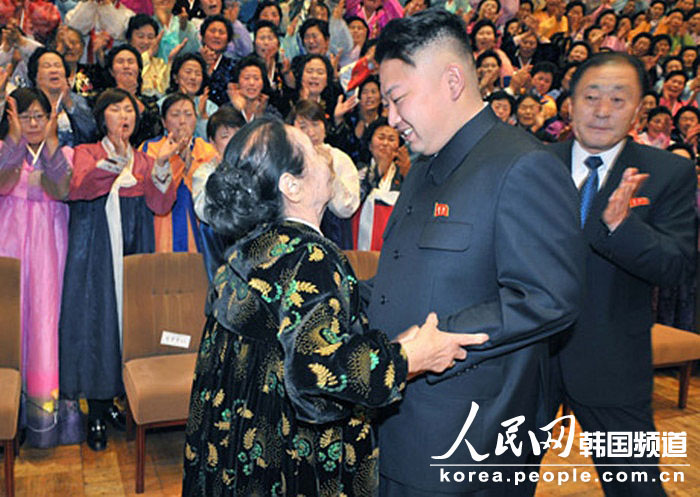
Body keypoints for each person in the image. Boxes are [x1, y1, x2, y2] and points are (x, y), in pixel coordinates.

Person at [181, 117, 485, 496]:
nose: (323, 152)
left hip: (240, 450)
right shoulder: (309, 256)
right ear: (291, 186)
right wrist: (412, 356)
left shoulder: (251, 249)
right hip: (289, 459)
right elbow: (317, 375)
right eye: (309, 148)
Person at [370, 10, 585, 495]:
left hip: (468, 438)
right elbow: (407, 279)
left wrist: (441, 340)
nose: (391, 118)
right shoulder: (422, 169)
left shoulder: (522, 165)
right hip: (399, 422)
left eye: (397, 99)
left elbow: (549, 296)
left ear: (451, 80)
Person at [547, 52, 696, 496]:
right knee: (497, 481)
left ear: (638, 109)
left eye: (618, 98)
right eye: (591, 96)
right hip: (527, 359)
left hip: (612, 362)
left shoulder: (668, 172)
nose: (602, 109)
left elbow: (677, 266)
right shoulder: (532, 163)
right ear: (570, 103)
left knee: (636, 489)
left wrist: (621, 229)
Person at [58, 88, 179, 452]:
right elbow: (78, 189)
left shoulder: (144, 159)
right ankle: (95, 409)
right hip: (95, 251)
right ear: (102, 117)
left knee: (131, 321)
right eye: (115, 109)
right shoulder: (86, 152)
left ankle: (118, 401)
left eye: (129, 110)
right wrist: (112, 166)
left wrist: (161, 165)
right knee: (98, 321)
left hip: (134, 248)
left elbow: (161, 204)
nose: (124, 116)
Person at [0, 88, 74, 448]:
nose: (32, 123)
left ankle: (41, 421)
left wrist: (51, 145)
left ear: (50, 119)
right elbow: (3, 183)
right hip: (8, 243)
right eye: (25, 116)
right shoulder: (4, 151)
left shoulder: (63, 153)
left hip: (49, 247)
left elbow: (60, 189)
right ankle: (6, 417)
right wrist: (13, 142)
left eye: (39, 116)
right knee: (10, 321)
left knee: (44, 323)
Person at [141, 92, 219, 253]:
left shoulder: (208, 150)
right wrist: (174, 160)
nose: (182, 121)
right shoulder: (151, 148)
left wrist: (188, 161)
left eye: (188, 115)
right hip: (160, 226)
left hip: (199, 230)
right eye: (175, 115)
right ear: (163, 121)